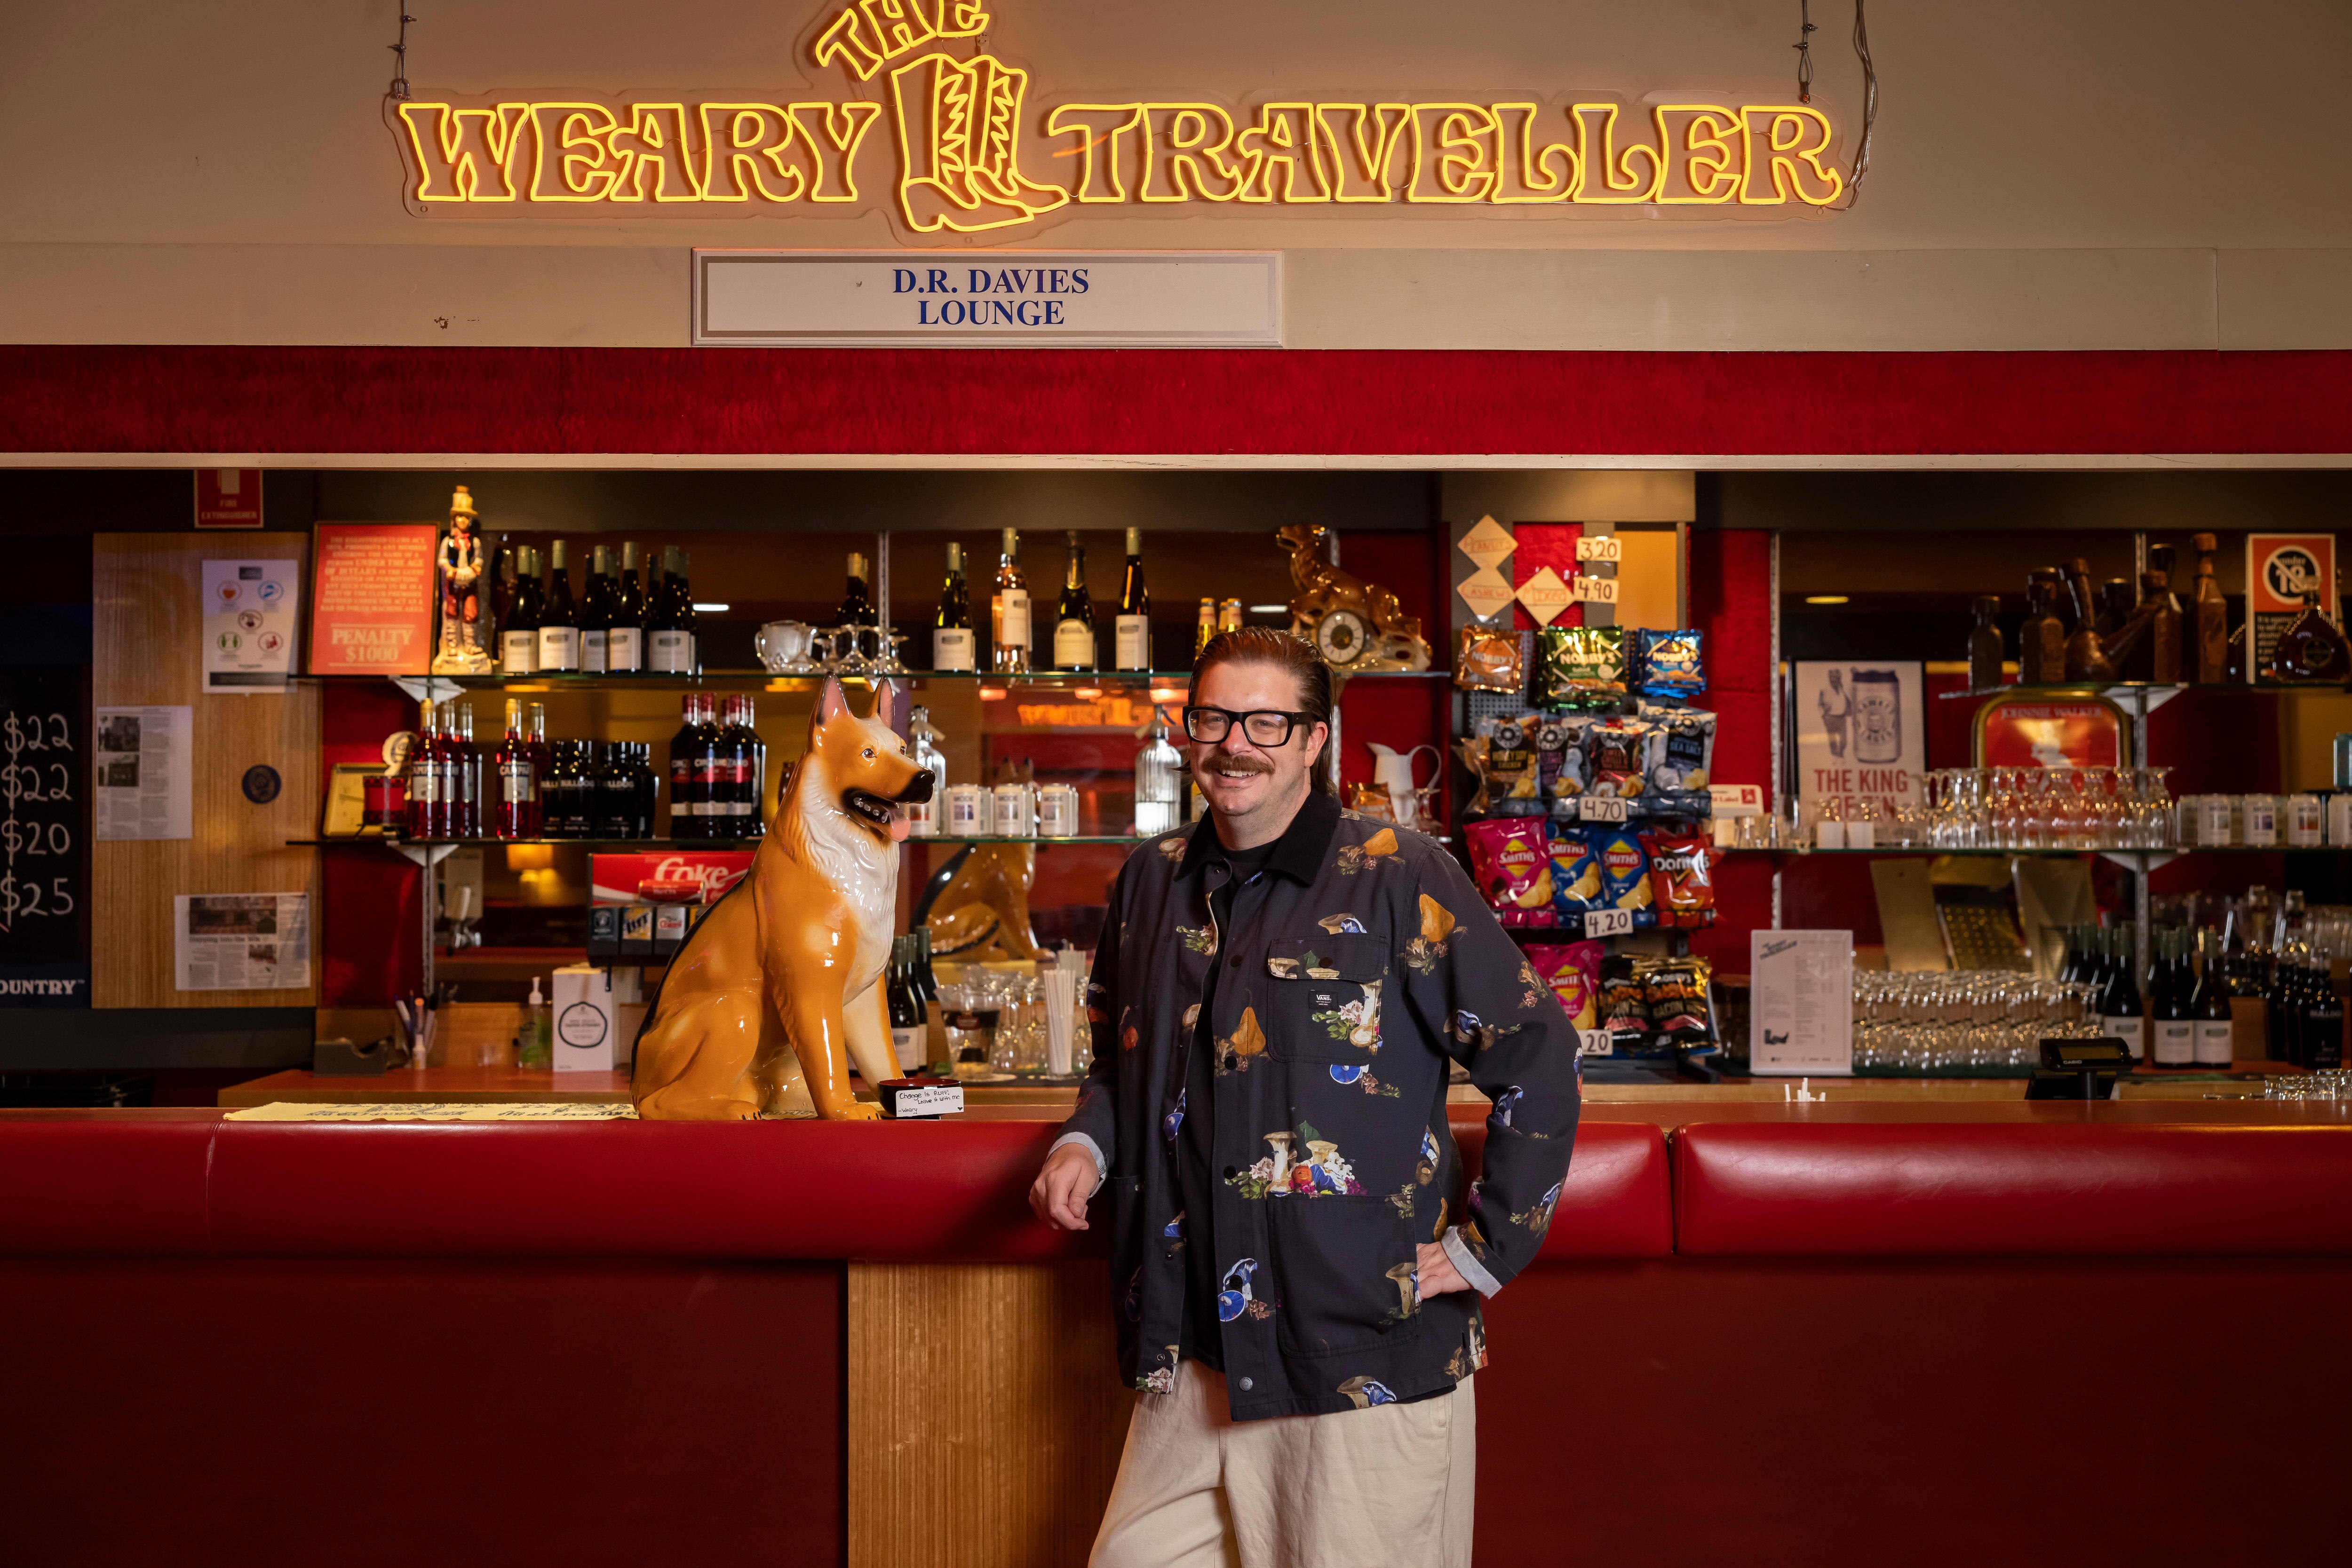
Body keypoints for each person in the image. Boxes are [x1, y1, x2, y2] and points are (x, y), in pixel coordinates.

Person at [1032, 627, 1581, 1568]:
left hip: (1356, 1347)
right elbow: (1122, 1065)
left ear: (1314, 740)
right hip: (1189, 1342)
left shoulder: (1402, 872)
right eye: (1212, 716)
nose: (1233, 742)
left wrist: (1486, 1248)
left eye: (1265, 722)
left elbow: (1537, 1054)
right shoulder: (1148, 881)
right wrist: (1083, 1141)